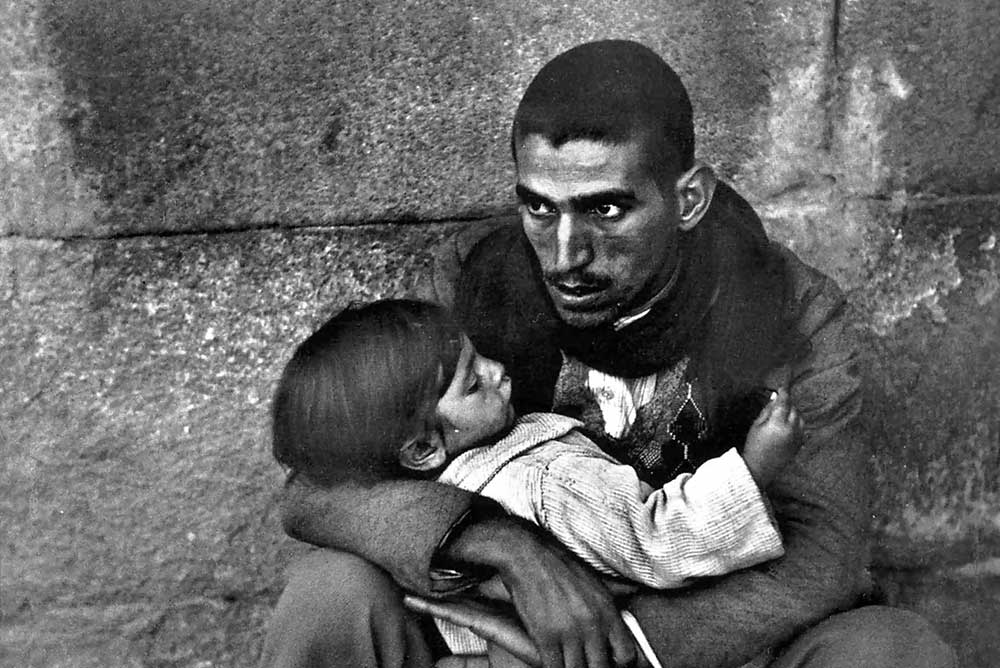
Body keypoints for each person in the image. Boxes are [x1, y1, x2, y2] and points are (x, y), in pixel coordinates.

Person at [260, 40, 956, 668]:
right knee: (331, 595)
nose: (564, 257)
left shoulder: (793, 311)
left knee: (895, 652)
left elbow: (822, 560)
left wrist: (605, 646)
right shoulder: (472, 282)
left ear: (687, 199)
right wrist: (509, 550)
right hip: (496, 627)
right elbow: (319, 487)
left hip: (698, 645)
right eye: (539, 208)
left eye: (605, 210)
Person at [270, 298, 804, 663]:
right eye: (474, 382)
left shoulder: (434, 493)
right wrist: (753, 471)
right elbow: (656, 540)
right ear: (422, 448)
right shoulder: (544, 480)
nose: (499, 370)